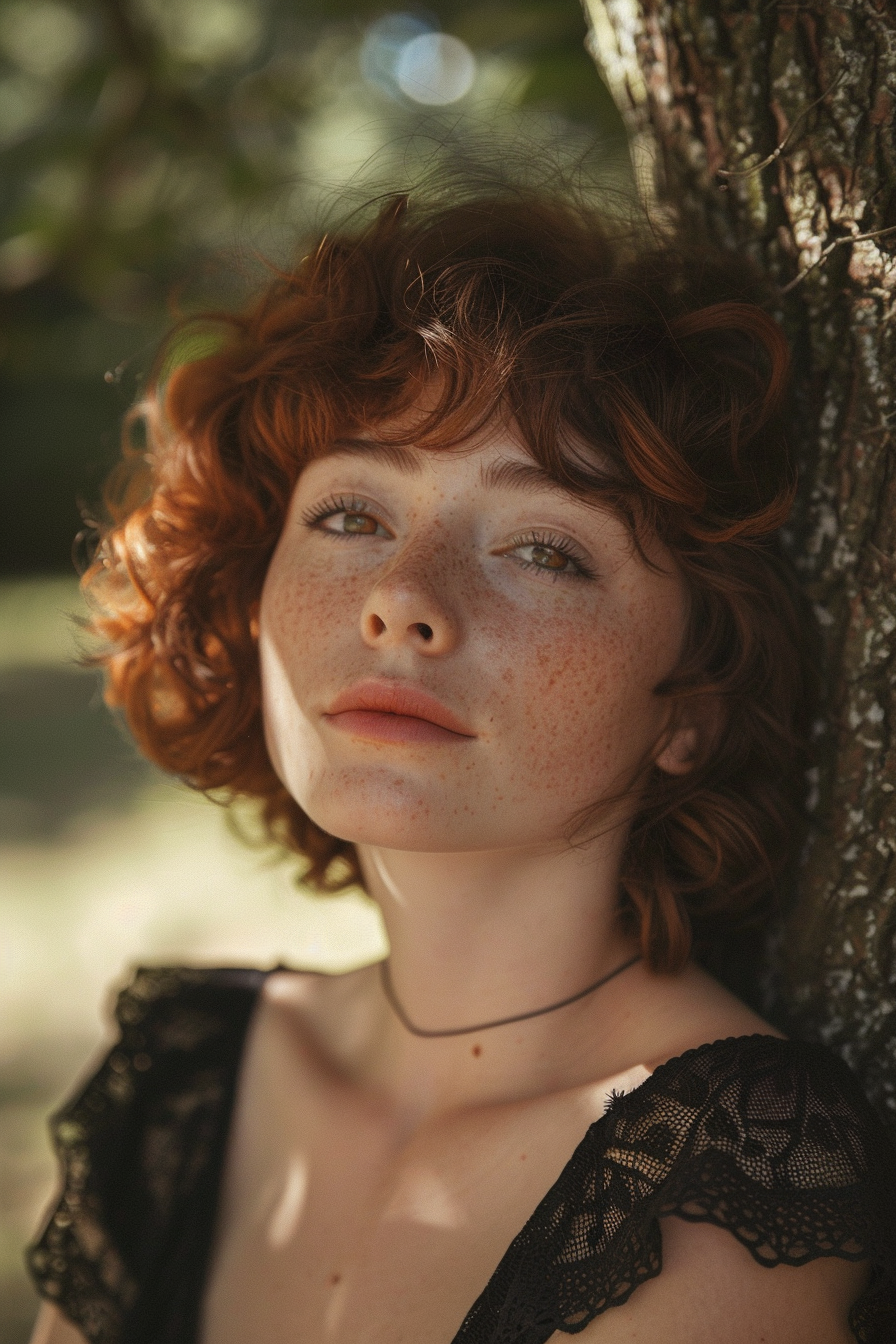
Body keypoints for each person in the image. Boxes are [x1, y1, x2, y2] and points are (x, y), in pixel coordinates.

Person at [26, 187, 896, 1344]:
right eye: (349, 516)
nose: (402, 598)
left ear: (688, 705)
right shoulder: (188, 1078)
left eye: (542, 547)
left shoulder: (720, 1179)